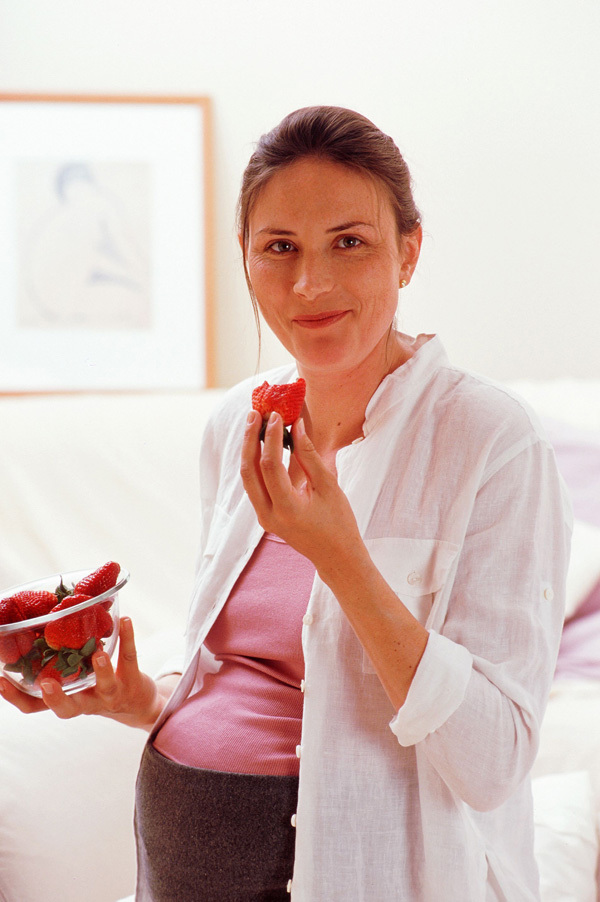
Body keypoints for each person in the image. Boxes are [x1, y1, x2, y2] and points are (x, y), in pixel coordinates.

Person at [0, 106, 571, 901]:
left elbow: (494, 759)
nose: (310, 284)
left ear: (408, 252)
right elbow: (250, 678)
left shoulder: (491, 441)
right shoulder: (239, 425)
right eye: (280, 248)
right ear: (245, 256)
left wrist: (340, 557)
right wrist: (142, 699)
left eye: (349, 242)